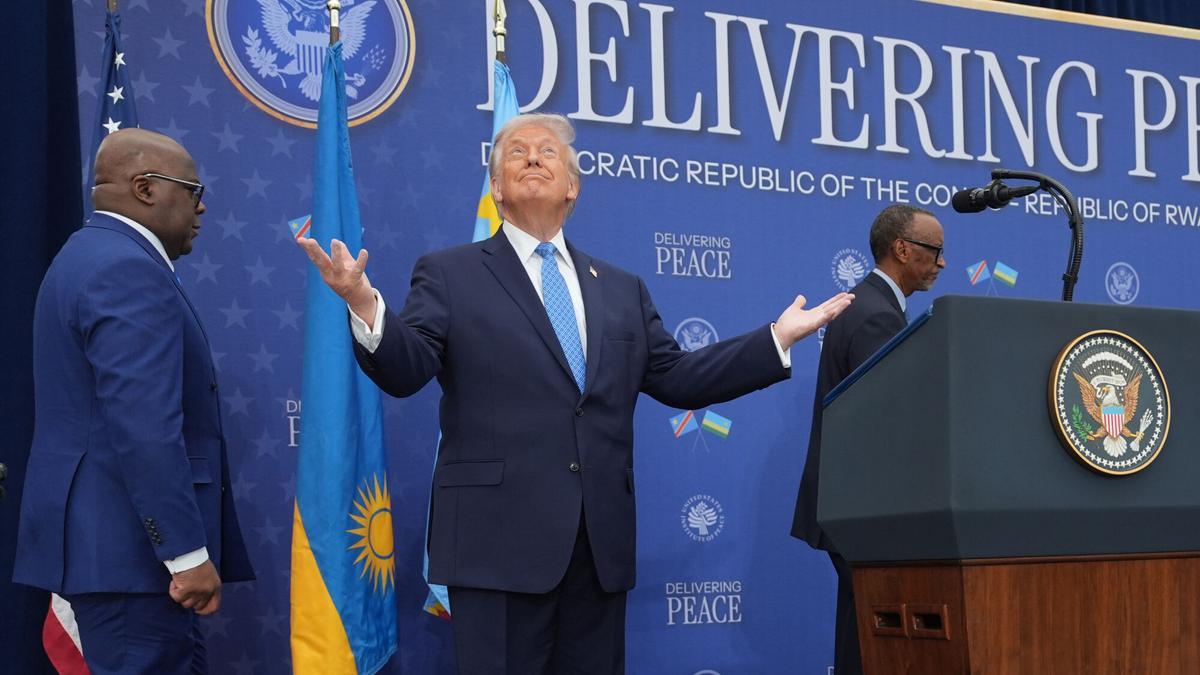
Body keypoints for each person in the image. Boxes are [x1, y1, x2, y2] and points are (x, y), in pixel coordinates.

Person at [299, 112, 853, 674]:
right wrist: (364, 304)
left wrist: (776, 338)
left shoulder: (621, 288)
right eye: (515, 152)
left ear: (573, 186)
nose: (532, 157)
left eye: (547, 152)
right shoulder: (450, 273)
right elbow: (407, 367)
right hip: (498, 549)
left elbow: (680, 378)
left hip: (597, 549)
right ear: (496, 187)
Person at [14, 129, 253, 674]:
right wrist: (187, 555)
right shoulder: (127, 270)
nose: (203, 205)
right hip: (135, 563)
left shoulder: (84, 256)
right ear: (146, 188)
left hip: (117, 559)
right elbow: (145, 426)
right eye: (194, 190)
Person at [790, 204, 945, 675]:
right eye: (935, 251)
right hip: (867, 512)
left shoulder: (865, 304)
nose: (942, 263)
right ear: (902, 249)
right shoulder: (878, 317)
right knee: (875, 643)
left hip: (851, 510)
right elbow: (884, 423)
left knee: (859, 639)